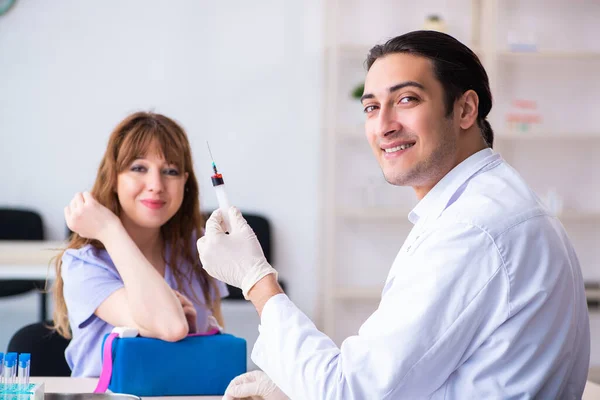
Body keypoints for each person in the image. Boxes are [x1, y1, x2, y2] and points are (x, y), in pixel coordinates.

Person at [197, 31, 590, 399]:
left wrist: (256, 281)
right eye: (371, 107)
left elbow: (351, 391)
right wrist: (300, 388)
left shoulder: (474, 228)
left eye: (406, 100)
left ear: (465, 108)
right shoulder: (488, 204)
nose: (383, 126)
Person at [52, 111, 228, 378]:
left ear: (186, 183)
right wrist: (109, 230)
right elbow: (170, 326)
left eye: (170, 171)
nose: (156, 185)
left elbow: (215, 348)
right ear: (113, 178)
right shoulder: (84, 264)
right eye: (138, 168)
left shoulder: (198, 247)